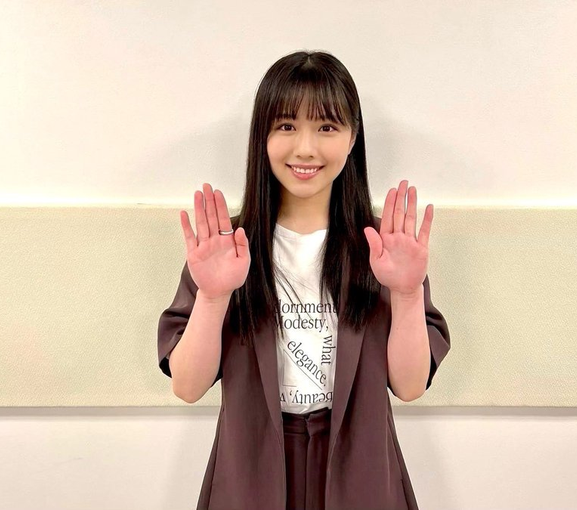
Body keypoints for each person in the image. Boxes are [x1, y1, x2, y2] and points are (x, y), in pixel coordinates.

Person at [157, 50, 451, 510]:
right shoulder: (226, 248)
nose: (306, 148)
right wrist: (213, 297)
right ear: (263, 136)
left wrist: (408, 292)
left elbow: (410, 386)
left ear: (353, 137)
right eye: (286, 126)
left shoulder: (385, 248)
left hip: (360, 468)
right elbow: (188, 386)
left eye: (327, 127)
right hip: (253, 470)